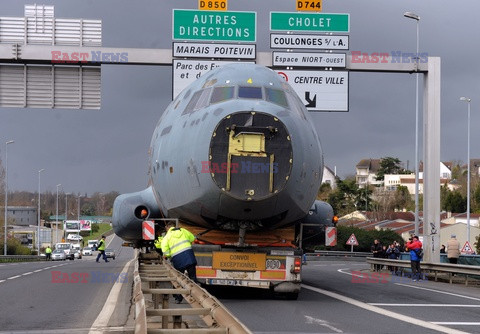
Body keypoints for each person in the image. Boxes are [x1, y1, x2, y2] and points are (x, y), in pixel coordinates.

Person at [161, 221, 197, 303]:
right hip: (189, 257)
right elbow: (192, 238)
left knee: (178, 279)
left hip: (178, 260)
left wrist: (169, 255)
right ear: (174, 226)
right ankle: (194, 297)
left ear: (168, 228)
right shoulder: (183, 231)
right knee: (192, 278)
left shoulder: (167, 237)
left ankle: (178, 298)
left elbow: (165, 250)